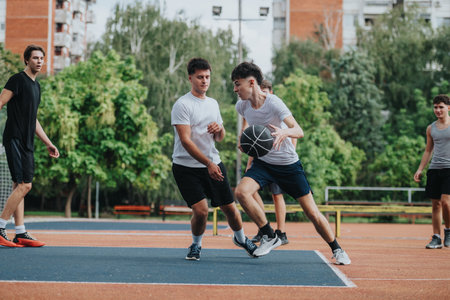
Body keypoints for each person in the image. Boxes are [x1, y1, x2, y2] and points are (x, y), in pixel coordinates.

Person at [232, 62, 351, 264]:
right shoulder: (242, 106)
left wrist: (284, 132)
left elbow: (298, 130)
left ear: (251, 82)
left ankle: (336, 249)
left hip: (287, 164)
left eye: (237, 84)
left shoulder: (274, 103)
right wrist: (245, 144)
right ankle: (270, 235)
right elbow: (248, 132)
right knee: (241, 192)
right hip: (264, 163)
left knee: (312, 213)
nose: (235, 89)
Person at [171, 58, 257, 261]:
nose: (204, 81)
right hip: (186, 167)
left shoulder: (213, 103)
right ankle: (196, 245)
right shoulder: (182, 104)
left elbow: (219, 137)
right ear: (190, 78)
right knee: (201, 212)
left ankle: (242, 239)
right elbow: (185, 141)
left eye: (207, 77)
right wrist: (208, 164)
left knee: (230, 208)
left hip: (213, 163)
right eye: (200, 77)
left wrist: (220, 130)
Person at [0, 45, 60, 247]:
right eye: (35, 58)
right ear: (26, 60)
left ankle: (20, 232)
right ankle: (0, 227)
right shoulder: (17, 80)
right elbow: (0, 102)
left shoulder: (36, 87)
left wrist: (49, 143)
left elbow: (33, 120)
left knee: (21, 186)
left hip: (27, 141)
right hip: (14, 138)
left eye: (42, 58)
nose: (39, 61)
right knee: (25, 184)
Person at [246, 79, 296, 245]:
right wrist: (249, 163)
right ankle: (264, 227)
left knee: (277, 195)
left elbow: (293, 133)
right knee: (250, 192)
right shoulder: (253, 111)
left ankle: (281, 232)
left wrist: (292, 155)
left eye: (267, 92)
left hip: (279, 159)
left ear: (271, 93)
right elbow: (253, 142)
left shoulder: (277, 110)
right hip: (261, 159)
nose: (264, 94)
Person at [414, 94, 450, 249]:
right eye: (435, 107)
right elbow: (428, 150)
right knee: (435, 204)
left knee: (445, 202)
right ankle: (436, 237)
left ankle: (448, 232)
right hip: (434, 168)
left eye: (441, 107)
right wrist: (420, 169)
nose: (438, 110)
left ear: (448, 107)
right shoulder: (431, 128)